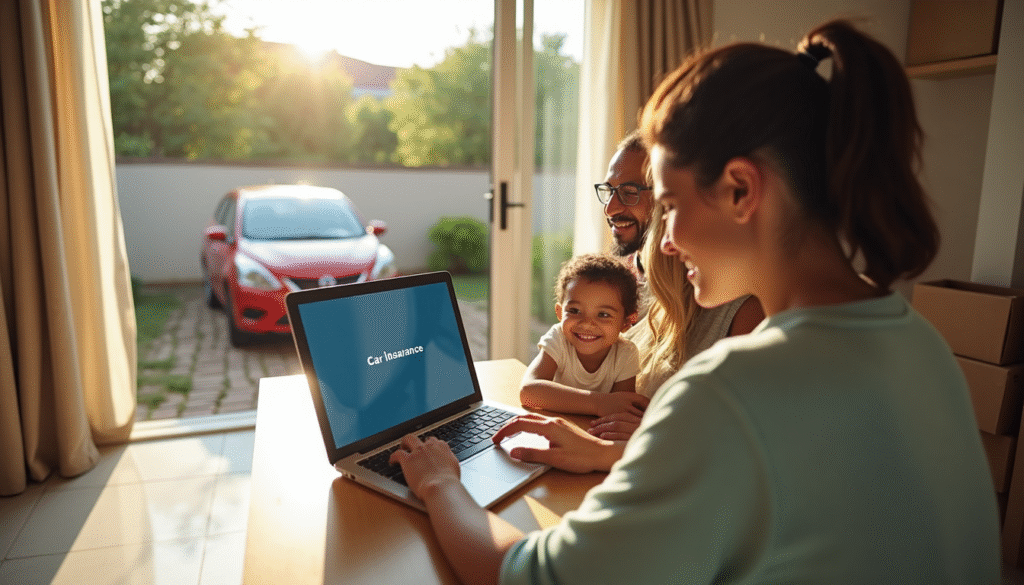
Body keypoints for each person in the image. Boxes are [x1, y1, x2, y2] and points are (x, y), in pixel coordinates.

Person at [390, 19, 1001, 584]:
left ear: (741, 190)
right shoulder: (917, 342)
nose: (668, 238)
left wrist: (442, 483)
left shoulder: (731, 387)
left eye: (672, 204)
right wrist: (612, 458)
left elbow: (526, 577)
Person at [519, 254, 646, 418]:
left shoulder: (625, 354)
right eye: (574, 311)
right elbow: (528, 392)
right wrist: (599, 404)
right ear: (559, 312)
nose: (586, 324)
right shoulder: (559, 339)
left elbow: (620, 410)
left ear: (627, 322)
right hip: (553, 427)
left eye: (603, 314)